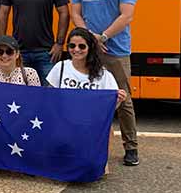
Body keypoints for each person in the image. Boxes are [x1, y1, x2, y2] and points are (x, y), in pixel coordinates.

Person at [71, 0, 139, 166]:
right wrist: (90, 39)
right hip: (90, 50)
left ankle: (131, 147)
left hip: (116, 50)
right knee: (90, 98)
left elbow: (126, 16)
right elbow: (76, 14)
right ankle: (90, 144)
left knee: (123, 98)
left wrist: (103, 37)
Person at [48, 27, 127, 176]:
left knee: (90, 167)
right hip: (65, 124)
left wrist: (118, 101)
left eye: (81, 46)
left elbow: (108, 109)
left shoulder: (103, 75)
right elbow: (50, 98)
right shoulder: (61, 68)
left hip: (89, 125)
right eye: (72, 45)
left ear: (90, 48)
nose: (76, 49)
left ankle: (98, 160)